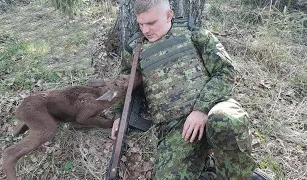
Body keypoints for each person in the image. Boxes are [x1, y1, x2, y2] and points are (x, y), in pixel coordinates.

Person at [111, 0, 267, 179]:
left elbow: (225, 72)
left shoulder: (194, 34)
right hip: (176, 129)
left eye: (151, 23)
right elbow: (123, 84)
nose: (145, 30)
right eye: (141, 24)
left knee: (226, 121)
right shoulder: (135, 50)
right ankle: (211, 172)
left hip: (213, 109)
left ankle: (239, 174)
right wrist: (118, 115)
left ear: (169, 15)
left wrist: (201, 108)